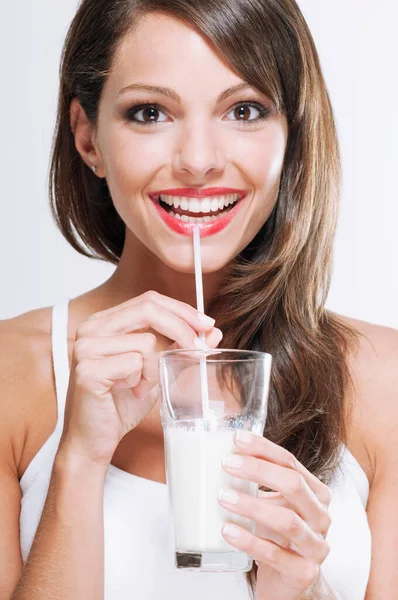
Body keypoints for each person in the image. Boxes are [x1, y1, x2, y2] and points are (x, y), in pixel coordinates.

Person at [1, 0, 397, 598]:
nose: (199, 161)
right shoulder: (12, 374)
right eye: (150, 112)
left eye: (244, 110)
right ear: (88, 138)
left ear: (292, 133)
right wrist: (79, 462)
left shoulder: (383, 380)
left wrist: (300, 589)